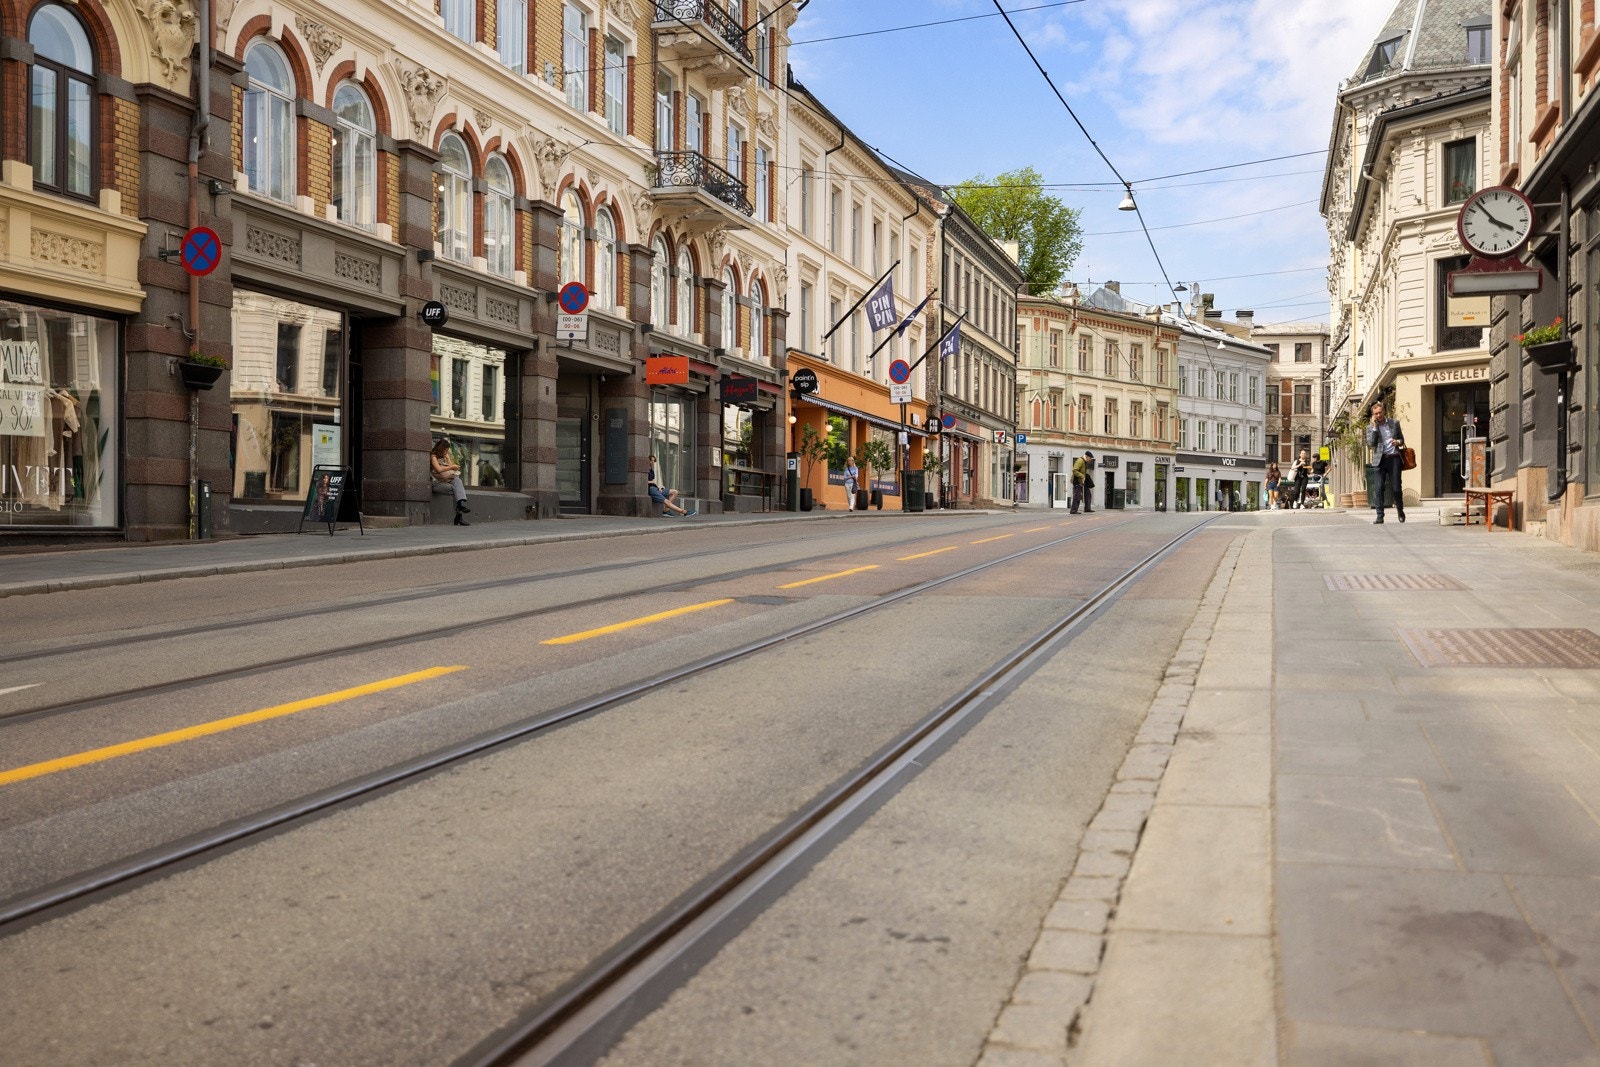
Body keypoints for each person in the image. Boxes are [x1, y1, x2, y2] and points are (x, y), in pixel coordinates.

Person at [1365, 400, 1407, 524]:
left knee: (1396, 488)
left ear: (1384, 411)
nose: (1378, 415)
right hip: (1380, 460)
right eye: (1376, 414)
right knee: (1378, 488)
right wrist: (1374, 428)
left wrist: (1397, 442)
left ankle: (1400, 510)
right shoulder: (1370, 428)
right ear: (1373, 415)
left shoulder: (1394, 423)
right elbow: (1371, 443)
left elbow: (1402, 440)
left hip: (1394, 458)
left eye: (1380, 412)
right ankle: (1379, 516)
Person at [430, 438, 470, 526]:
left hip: (447, 480)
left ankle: (460, 507)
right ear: (441, 449)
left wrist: (447, 457)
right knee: (456, 490)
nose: (446, 452)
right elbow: (439, 469)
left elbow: (452, 468)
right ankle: (459, 515)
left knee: (457, 480)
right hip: (437, 484)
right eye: (446, 450)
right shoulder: (433, 457)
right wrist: (451, 467)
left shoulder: (444, 456)